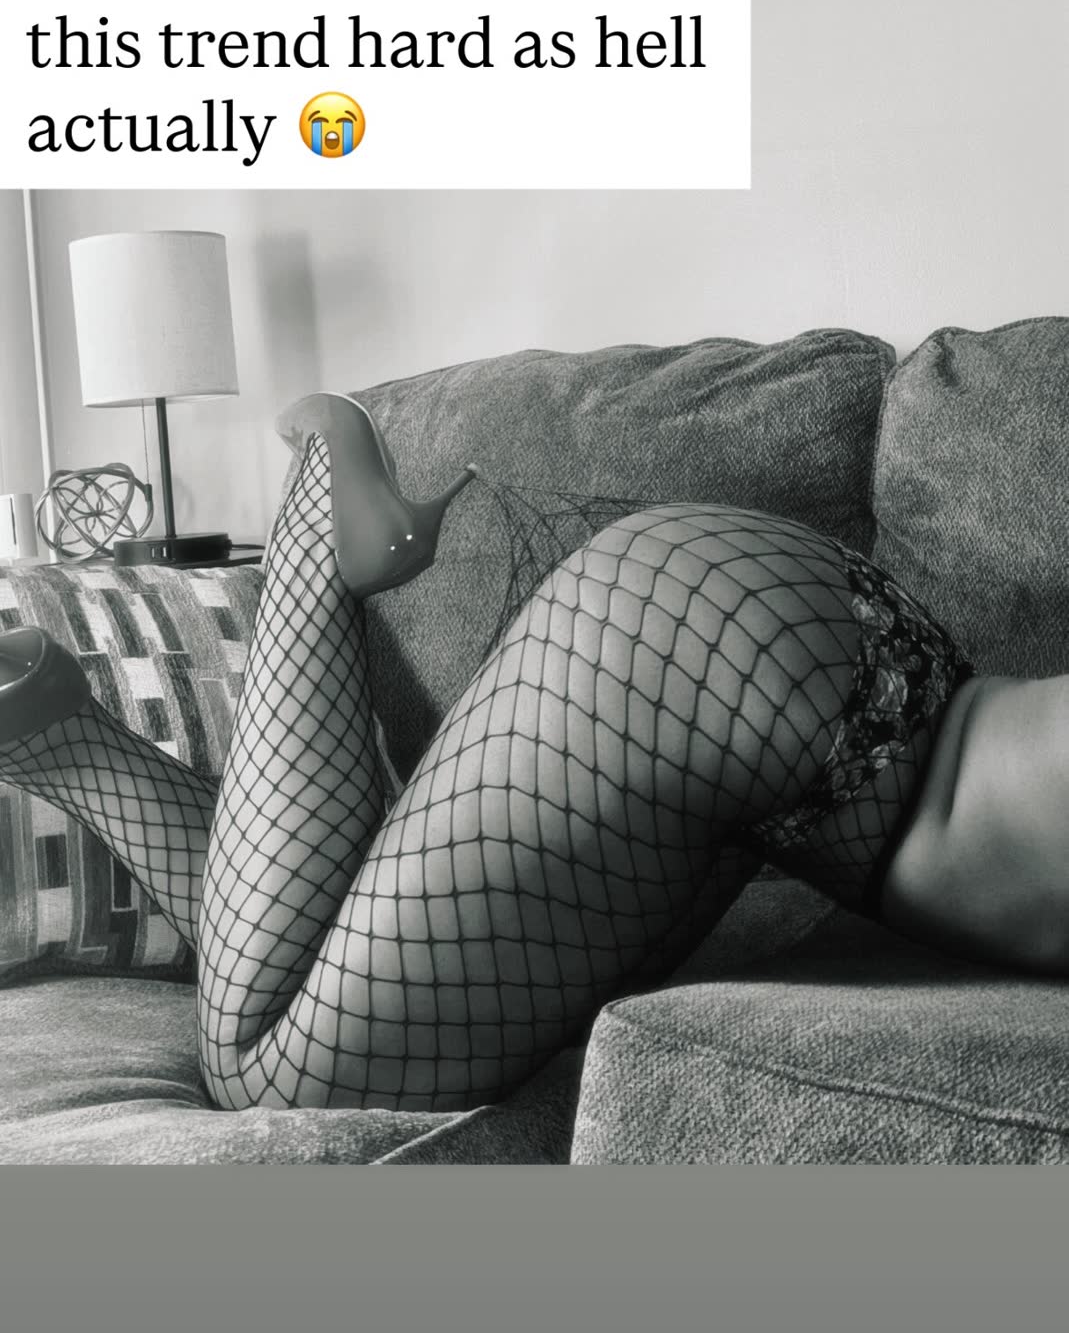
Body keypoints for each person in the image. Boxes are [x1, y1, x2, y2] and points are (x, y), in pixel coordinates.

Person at [0, 395, 1063, 1115]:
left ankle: (42, 721)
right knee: (268, 1076)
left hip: (803, 677)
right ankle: (318, 533)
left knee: (336, 964)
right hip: (710, 668)